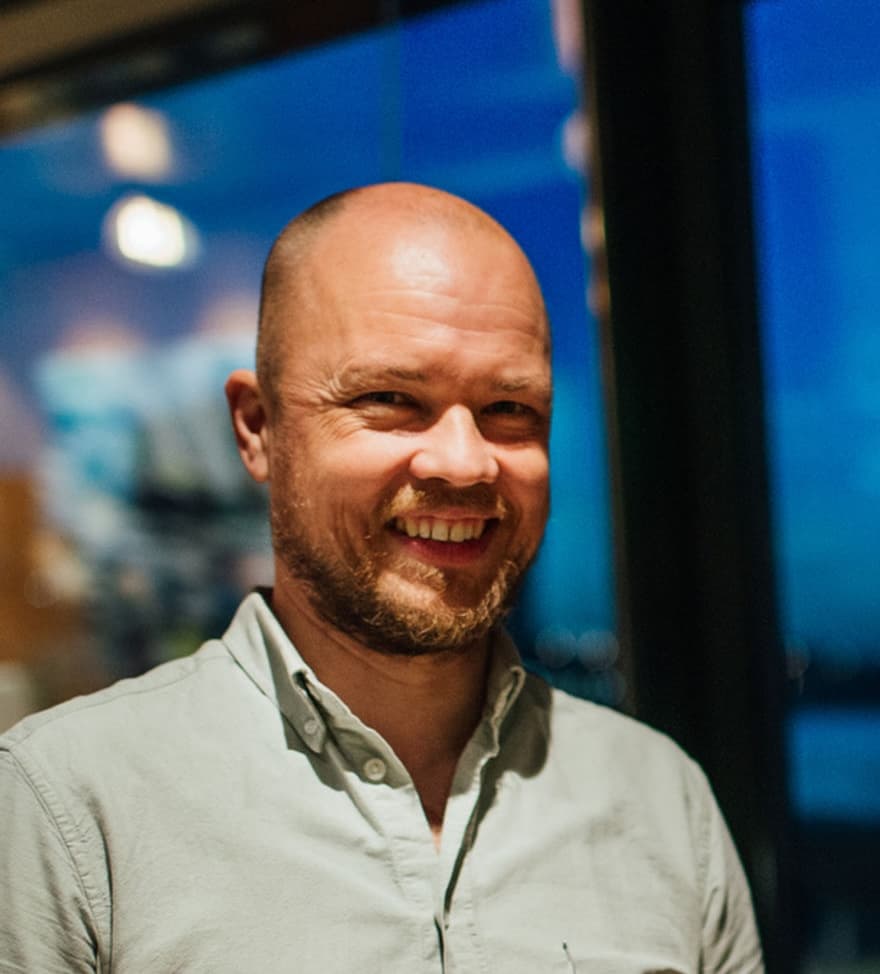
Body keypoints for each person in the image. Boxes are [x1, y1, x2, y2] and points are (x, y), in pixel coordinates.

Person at [0, 183, 764, 972]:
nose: (464, 463)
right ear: (258, 428)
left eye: (510, 409)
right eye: (391, 398)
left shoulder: (659, 801)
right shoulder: (69, 808)